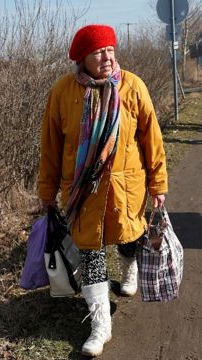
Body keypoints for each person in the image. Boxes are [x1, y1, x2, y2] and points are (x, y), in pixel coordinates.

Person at [38, 24, 168, 357]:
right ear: (82, 58)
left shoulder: (133, 86)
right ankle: (100, 324)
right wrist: (47, 191)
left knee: (128, 238)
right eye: (99, 52)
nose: (107, 57)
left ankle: (129, 268)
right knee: (90, 253)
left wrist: (158, 183)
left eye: (110, 49)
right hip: (82, 192)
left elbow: (151, 138)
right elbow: (51, 148)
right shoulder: (62, 92)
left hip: (126, 186)